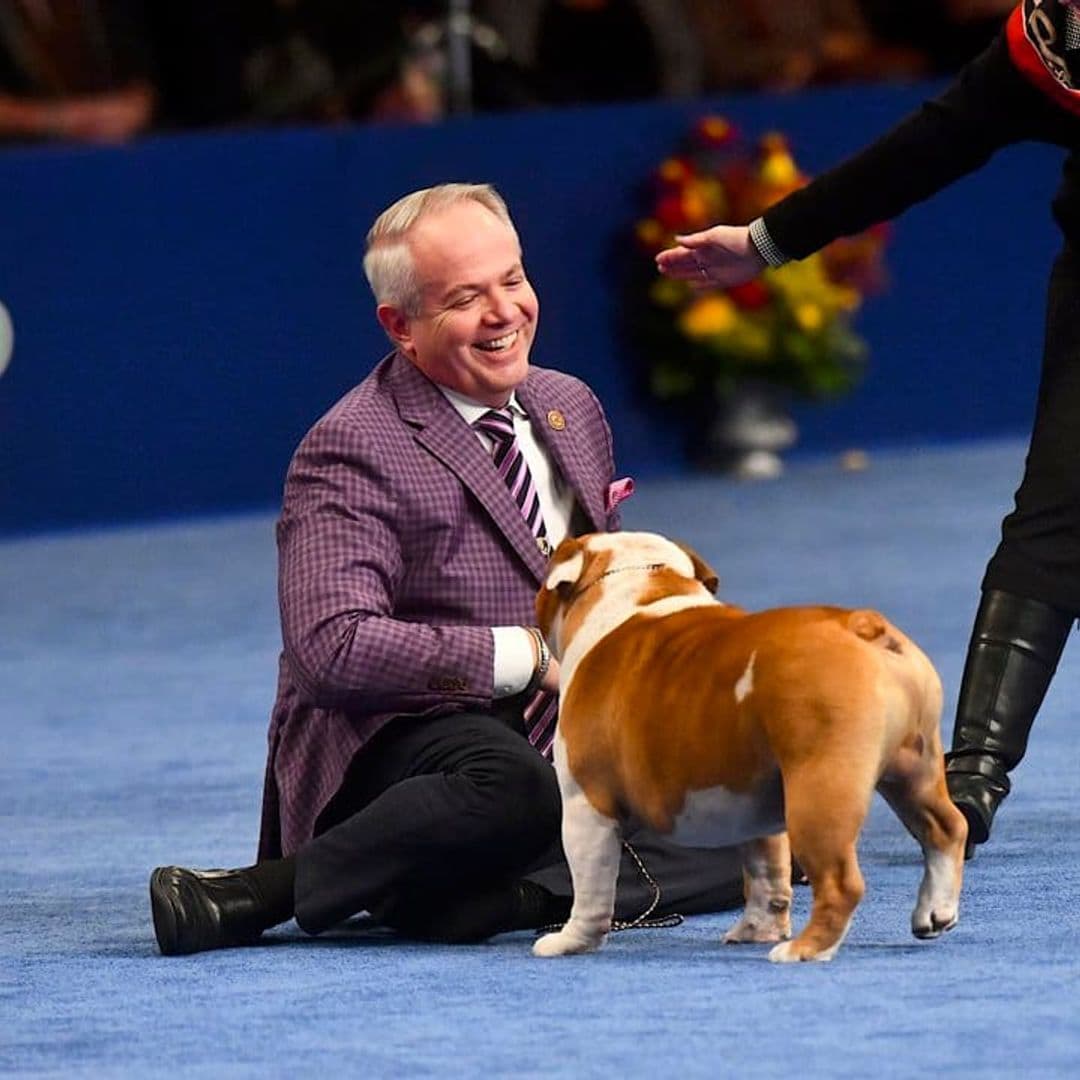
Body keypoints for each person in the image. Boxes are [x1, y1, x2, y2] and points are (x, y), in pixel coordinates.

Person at [150, 183, 744, 955]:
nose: (505, 314)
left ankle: (505, 900)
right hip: (407, 739)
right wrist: (530, 657)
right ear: (400, 326)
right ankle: (259, 896)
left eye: (513, 280)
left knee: (762, 807)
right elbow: (331, 649)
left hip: (566, 736)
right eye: (466, 298)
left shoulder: (571, 405)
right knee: (511, 787)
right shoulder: (350, 446)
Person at [657, 0, 1080, 859]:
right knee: (1058, 511)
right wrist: (769, 241)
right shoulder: (1050, 39)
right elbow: (932, 143)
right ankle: (971, 783)